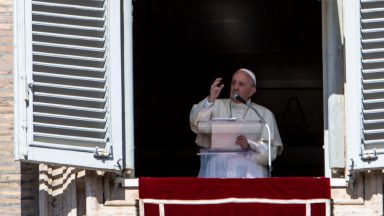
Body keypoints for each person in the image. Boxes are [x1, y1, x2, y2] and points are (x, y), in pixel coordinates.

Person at [189, 68, 283, 178]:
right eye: (233, 82)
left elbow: (271, 151)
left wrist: (251, 145)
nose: (235, 87)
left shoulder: (263, 113)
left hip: (250, 175)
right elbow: (196, 124)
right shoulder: (214, 104)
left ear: (252, 91)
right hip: (217, 173)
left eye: (241, 84)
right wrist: (210, 99)